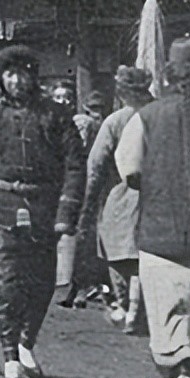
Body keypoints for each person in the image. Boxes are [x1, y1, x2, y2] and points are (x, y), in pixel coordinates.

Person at [115, 36, 190, 378]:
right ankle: (188, 376)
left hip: (158, 232)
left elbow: (129, 169)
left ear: (167, 74)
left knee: (164, 315)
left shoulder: (145, 117)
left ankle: (173, 377)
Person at [0, 46, 85, 378]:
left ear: (34, 77)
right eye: (9, 75)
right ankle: (10, 360)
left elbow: (75, 165)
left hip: (44, 211)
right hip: (2, 210)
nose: (16, 81)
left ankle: (26, 342)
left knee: (42, 285)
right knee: (6, 284)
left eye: (22, 74)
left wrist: (67, 211)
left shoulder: (56, 115)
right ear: (1, 79)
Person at [77, 66, 153, 334]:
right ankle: (138, 310)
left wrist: (86, 206)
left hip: (121, 198)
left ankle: (127, 308)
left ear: (121, 93)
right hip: (159, 201)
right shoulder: (163, 115)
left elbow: (95, 167)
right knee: (147, 257)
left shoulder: (115, 122)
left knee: (121, 257)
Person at [60, 90, 111, 308]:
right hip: (90, 185)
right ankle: (82, 287)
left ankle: (82, 287)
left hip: (91, 186)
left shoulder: (88, 123)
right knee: (85, 237)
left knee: (85, 237)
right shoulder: (93, 124)